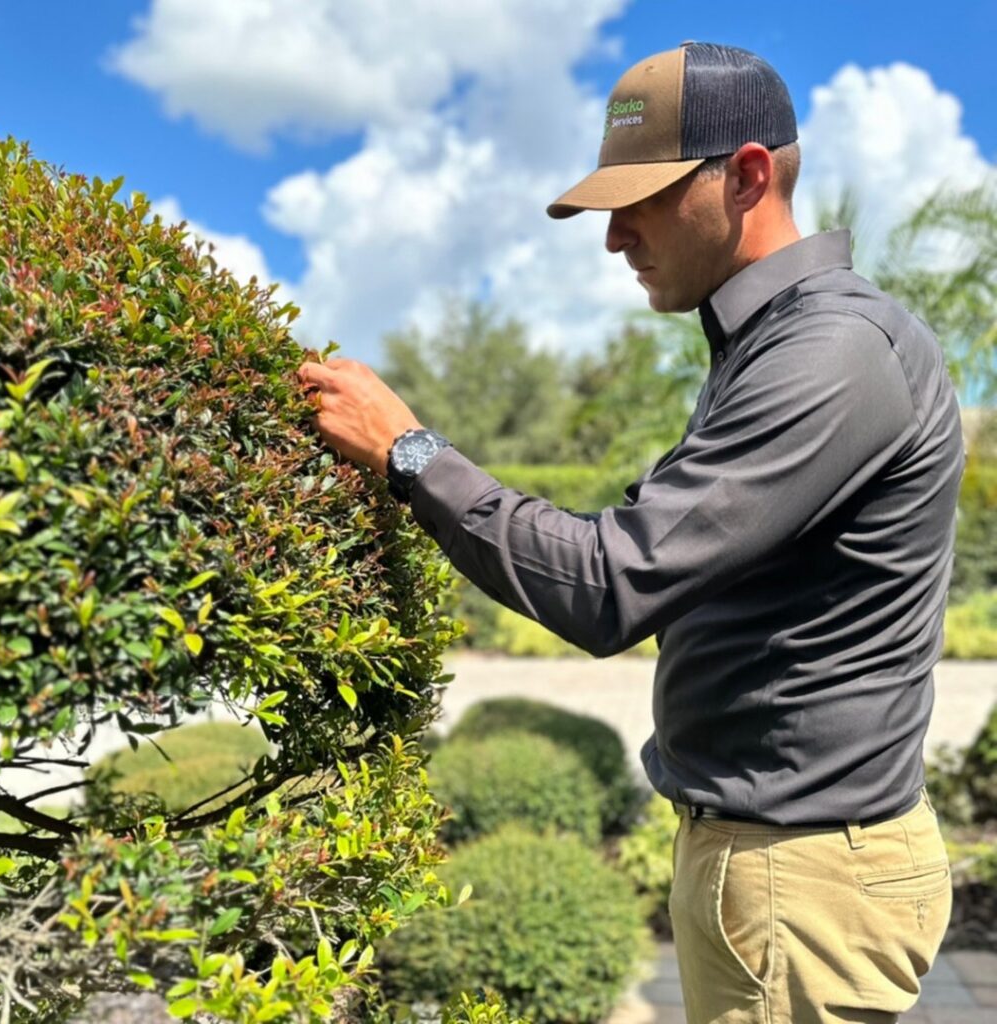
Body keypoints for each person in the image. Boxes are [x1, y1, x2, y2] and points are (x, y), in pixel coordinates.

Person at [297, 41, 963, 1024]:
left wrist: (410, 451)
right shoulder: (776, 346)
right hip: (778, 866)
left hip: (803, 879)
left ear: (745, 174)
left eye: (640, 199)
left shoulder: (831, 354)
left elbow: (611, 586)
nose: (613, 238)